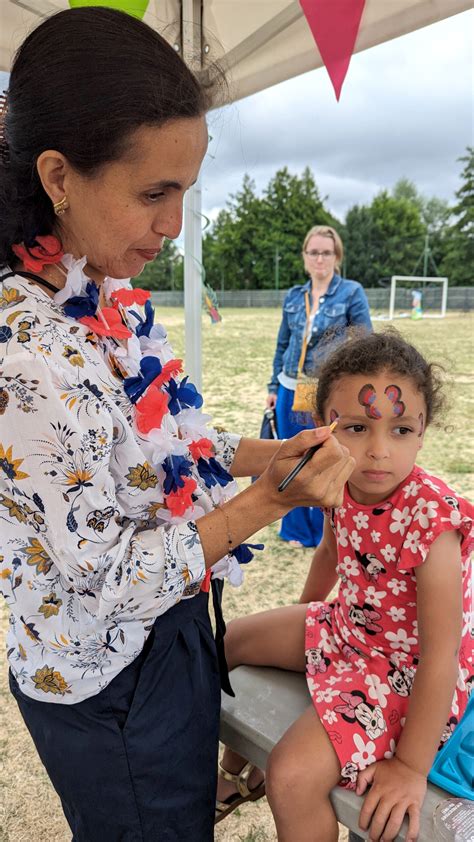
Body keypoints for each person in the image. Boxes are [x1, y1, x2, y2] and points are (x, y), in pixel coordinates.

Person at [0, 8, 356, 842]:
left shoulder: (99, 285)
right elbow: (112, 578)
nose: (172, 225)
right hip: (107, 673)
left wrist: (268, 452)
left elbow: (157, 447)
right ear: (58, 174)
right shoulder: (26, 349)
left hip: (170, 628)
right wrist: (267, 502)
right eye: (153, 193)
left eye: (185, 194)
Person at [219, 330, 473, 842]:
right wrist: (304, 627)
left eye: (401, 430)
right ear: (323, 426)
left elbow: (441, 658)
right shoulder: (335, 479)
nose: (379, 452)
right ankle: (238, 773)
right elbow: (332, 553)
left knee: (293, 775)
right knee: (231, 642)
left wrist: (408, 767)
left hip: (405, 671)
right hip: (346, 629)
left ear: (424, 431)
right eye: (357, 427)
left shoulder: (431, 520)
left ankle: (270, 776)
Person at [267, 225, 372, 549]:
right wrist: (272, 385)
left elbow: (365, 340)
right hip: (289, 386)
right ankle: (296, 530)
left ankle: (328, 527)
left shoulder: (351, 292)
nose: (319, 258)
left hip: (326, 389)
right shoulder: (294, 296)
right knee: (292, 453)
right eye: (313, 252)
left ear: (336, 256)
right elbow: (283, 343)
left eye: (326, 252)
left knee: (324, 456)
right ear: (305, 257)